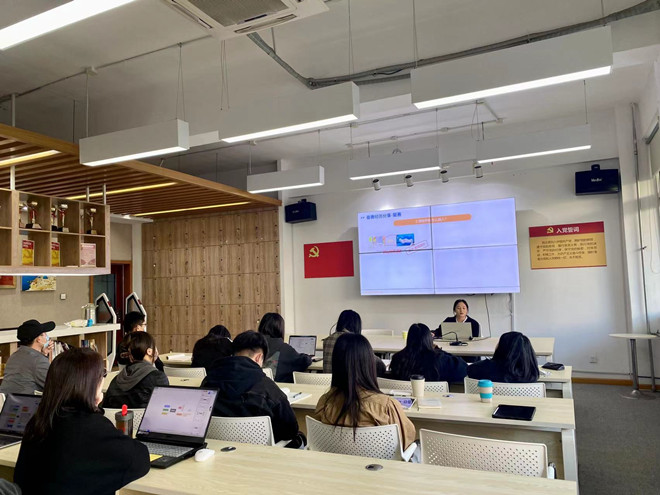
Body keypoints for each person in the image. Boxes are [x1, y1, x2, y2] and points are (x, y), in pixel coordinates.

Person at [14, 348, 150, 495]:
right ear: (90, 384)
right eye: (102, 374)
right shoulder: (94, 428)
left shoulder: (38, 422)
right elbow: (140, 459)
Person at [313, 333, 416, 450]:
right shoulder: (386, 407)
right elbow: (406, 442)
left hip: (335, 461)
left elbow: (318, 441)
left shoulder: (324, 403)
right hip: (378, 461)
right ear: (369, 363)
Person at [202, 331, 302, 447]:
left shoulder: (208, 381)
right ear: (259, 357)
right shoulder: (268, 388)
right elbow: (290, 430)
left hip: (217, 449)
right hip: (260, 453)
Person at [103, 332, 169, 409]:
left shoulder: (116, 380)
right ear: (149, 351)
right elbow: (166, 408)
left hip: (118, 417)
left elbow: (106, 408)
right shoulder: (158, 378)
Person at [390, 323, 468, 383]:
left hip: (404, 398)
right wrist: (439, 350)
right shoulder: (439, 358)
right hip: (436, 398)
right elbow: (464, 368)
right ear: (429, 339)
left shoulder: (397, 358)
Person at [322, 309, 386, 376]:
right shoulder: (355, 341)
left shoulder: (327, 340)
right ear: (357, 325)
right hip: (349, 382)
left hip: (327, 381)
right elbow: (380, 365)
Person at [0, 319, 54, 395]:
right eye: (44, 333)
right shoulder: (39, 361)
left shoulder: (14, 356)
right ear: (38, 339)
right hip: (25, 401)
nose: (47, 336)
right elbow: (55, 386)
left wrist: (43, 354)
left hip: (7, 401)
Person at [467, 331, 540, 383]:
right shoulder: (531, 374)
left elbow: (470, 369)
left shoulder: (479, 369)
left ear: (501, 348)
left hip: (488, 401)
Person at [258, 313, 311, 383]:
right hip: (277, 387)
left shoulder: (252, 344)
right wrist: (308, 357)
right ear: (280, 328)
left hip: (253, 386)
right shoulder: (284, 348)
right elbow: (304, 361)